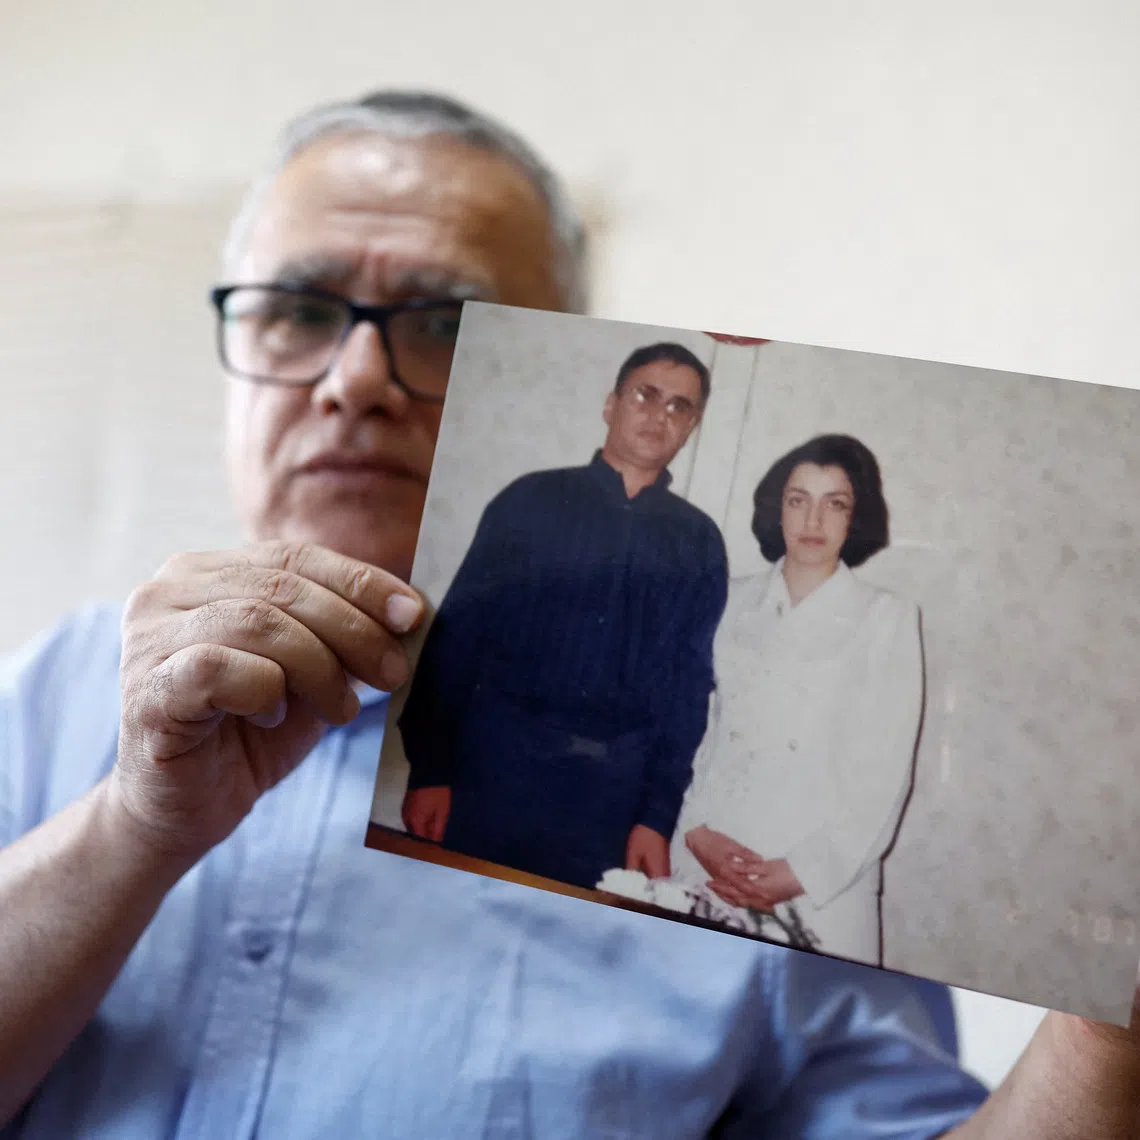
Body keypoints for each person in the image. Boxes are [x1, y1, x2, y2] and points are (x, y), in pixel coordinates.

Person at [0, 88, 1135, 1140]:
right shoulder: (52, 695)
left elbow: (684, 684)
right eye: (296, 309)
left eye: (446, 325)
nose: (353, 377)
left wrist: (1107, 1031)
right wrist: (130, 828)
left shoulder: (749, 802)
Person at [397, 342, 728, 889]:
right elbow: (456, 643)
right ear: (610, 404)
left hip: (609, 801)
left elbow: (687, 691)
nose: (659, 414)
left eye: (679, 406)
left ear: (691, 426)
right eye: (646, 394)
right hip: (493, 773)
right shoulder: (528, 501)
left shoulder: (699, 542)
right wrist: (431, 770)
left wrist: (655, 816)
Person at [676, 434, 921, 966]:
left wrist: (802, 873)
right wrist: (696, 832)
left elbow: (885, 772)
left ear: (856, 517)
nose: (814, 520)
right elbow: (693, 729)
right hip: (712, 862)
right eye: (798, 500)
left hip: (819, 886)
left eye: (835, 503)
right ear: (776, 509)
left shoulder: (886, 618)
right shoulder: (729, 599)